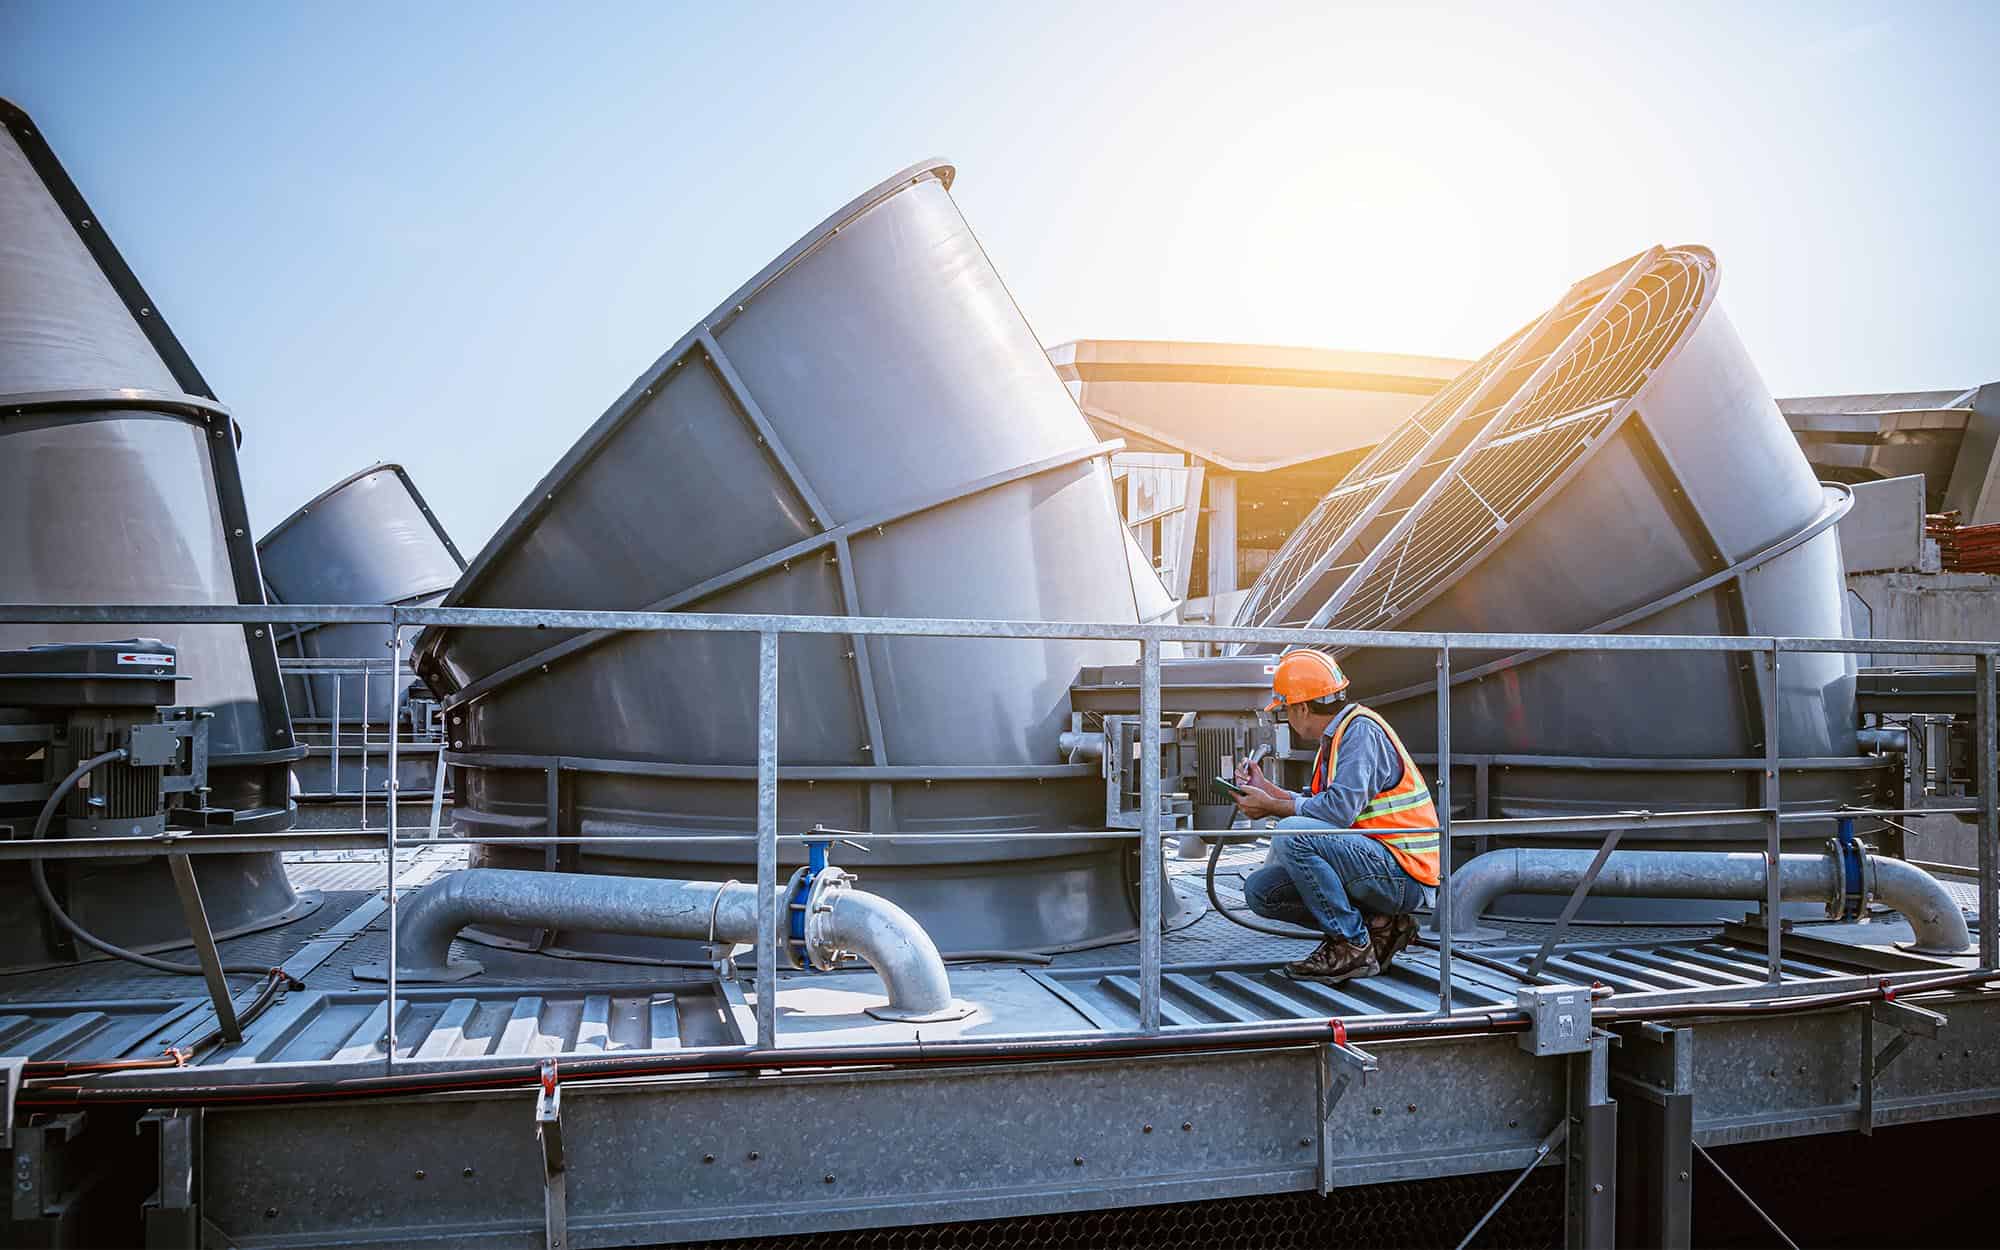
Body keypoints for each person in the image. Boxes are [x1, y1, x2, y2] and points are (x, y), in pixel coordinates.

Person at [1231, 649, 1440, 983]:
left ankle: (1351, 946)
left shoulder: (1359, 733)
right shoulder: (1337, 736)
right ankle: (1381, 925)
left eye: (1285, 710)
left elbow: (1337, 812)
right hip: (1374, 862)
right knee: (1262, 891)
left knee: (1292, 832)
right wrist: (1269, 791)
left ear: (1301, 708)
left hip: (1403, 873)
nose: (1286, 718)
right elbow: (1319, 806)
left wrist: (1273, 808)